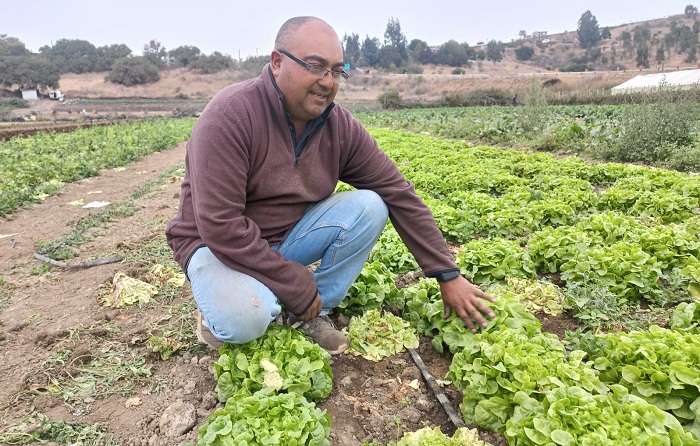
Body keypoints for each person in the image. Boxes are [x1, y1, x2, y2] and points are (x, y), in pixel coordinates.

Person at [165, 16, 495, 355]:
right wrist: (294, 283)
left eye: (337, 71)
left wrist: (448, 274)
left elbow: (397, 191)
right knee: (245, 318)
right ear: (277, 62)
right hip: (215, 247)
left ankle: (308, 312)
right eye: (315, 66)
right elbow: (220, 226)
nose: (327, 81)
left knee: (371, 205)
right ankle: (221, 311)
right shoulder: (231, 115)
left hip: (286, 240)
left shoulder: (340, 127)